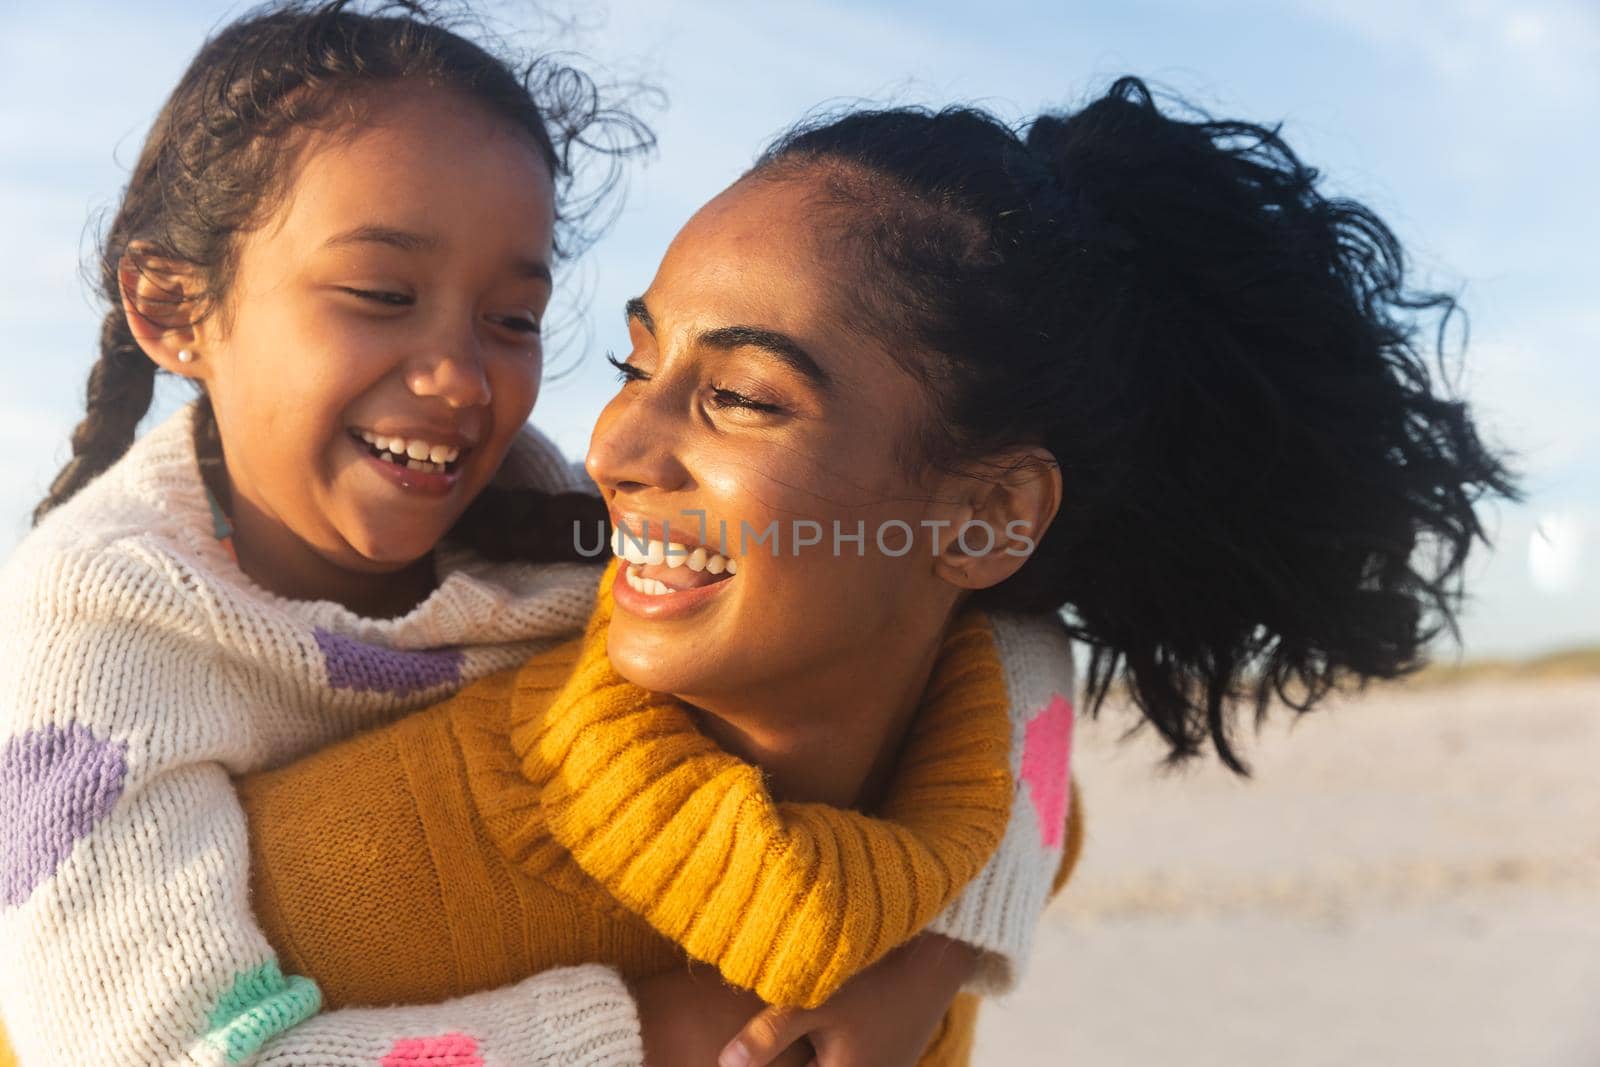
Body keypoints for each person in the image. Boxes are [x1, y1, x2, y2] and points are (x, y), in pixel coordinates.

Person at [226, 77, 1516, 1066]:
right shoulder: (360, 874)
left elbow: (1030, 786)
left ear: (989, 515)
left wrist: (937, 938)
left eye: (736, 394)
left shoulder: (968, 812)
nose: (613, 443)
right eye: (636, 364)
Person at [0, 3, 1076, 1064]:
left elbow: (1000, 639)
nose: (459, 375)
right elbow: (144, 1050)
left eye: (512, 318)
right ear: (172, 307)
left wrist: (925, 959)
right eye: (382, 292)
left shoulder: (544, 532)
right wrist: (643, 1035)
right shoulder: (97, 633)